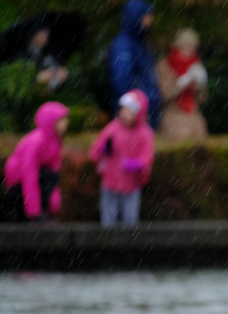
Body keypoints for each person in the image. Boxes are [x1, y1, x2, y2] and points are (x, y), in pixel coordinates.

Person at [89, 90, 155, 226]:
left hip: (131, 183)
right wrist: (103, 149)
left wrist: (137, 164)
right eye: (123, 109)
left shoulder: (145, 133)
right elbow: (95, 151)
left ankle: (129, 245)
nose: (125, 113)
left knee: (130, 219)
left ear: (139, 113)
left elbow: (147, 156)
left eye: (130, 110)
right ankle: (108, 244)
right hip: (110, 181)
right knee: (108, 217)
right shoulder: (112, 128)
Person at [2, 101, 69, 222]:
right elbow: (29, 174)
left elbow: (54, 173)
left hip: (35, 181)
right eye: (62, 119)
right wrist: (34, 211)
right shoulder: (36, 141)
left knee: (52, 177)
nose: (66, 122)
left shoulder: (55, 140)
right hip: (18, 184)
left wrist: (54, 207)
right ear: (52, 121)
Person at [109, 0, 161, 129]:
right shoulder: (124, 45)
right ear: (137, 17)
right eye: (147, 16)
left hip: (145, 111)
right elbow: (121, 78)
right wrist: (134, 108)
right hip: (136, 115)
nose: (150, 20)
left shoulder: (140, 43)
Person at [155, 28, 208, 142]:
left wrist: (201, 85)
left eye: (193, 47)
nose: (190, 50)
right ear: (177, 46)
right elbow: (163, 96)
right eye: (187, 46)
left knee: (201, 148)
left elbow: (202, 99)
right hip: (172, 115)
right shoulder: (164, 65)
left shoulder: (196, 66)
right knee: (179, 142)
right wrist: (181, 85)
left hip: (193, 116)